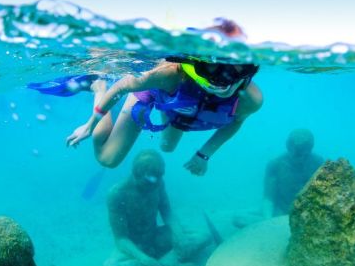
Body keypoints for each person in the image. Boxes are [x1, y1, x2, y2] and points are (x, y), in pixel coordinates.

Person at [66, 19, 263, 176]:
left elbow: (236, 122)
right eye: (211, 66)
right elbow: (121, 86)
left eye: (233, 70)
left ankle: (169, 108)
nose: (221, 80)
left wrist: (204, 155)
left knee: (167, 148)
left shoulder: (250, 99)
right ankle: (97, 87)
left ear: (249, 69)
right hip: (153, 94)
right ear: (196, 63)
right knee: (108, 160)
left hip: (183, 111)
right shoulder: (168, 74)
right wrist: (89, 126)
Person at [103, 150, 212, 266]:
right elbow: (121, 239)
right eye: (148, 182)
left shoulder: (158, 182)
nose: (154, 185)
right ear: (135, 174)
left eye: (159, 178)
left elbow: (167, 212)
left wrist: (179, 235)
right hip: (135, 244)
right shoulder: (117, 194)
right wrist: (142, 258)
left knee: (203, 235)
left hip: (156, 236)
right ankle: (169, 264)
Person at [233, 129, 322, 228]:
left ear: (310, 148)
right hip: (282, 211)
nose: (301, 158)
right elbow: (269, 198)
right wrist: (268, 221)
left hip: (309, 211)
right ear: (289, 147)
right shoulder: (275, 165)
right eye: (297, 154)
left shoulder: (318, 163)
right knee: (238, 218)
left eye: (305, 154)